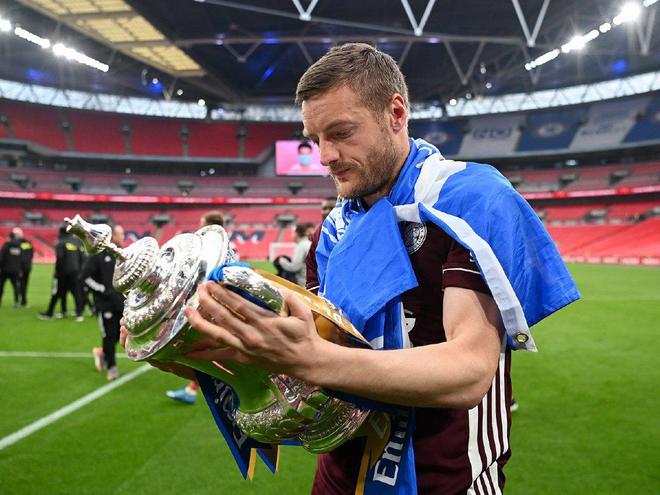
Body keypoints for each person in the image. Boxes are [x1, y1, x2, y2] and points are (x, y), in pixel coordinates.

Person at [124, 43, 578, 494]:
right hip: (338, 479)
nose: (325, 156)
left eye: (340, 133)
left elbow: (469, 370)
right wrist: (206, 357)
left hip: (448, 481)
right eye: (314, 140)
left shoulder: (469, 199)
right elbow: (306, 375)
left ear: (395, 113)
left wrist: (312, 359)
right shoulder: (332, 232)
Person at [166, 210, 227, 404]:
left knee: (203, 350)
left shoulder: (210, 248)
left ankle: (202, 392)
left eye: (202, 223)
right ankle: (192, 390)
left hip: (207, 304)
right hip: (218, 304)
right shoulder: (225, 245)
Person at [82, 225, 126, 381]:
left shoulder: (121, 254)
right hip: (105, 304)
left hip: (121, 303)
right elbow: (85, 277)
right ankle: (112, 367)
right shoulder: (97, 255)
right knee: (109, 335)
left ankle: (101, 352)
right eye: (121, 234)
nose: (123, 237)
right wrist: (103, 290)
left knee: (119, 334)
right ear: (113, 236)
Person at [39, 226, 85, 321]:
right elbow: (82, 258)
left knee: (57, 293)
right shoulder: (77, 242)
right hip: (75, 272)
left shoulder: (60, 242)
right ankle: (79, 314)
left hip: (63, 273)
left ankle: (50, 313)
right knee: (76, 293)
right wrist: (80, 270)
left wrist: (57, 271)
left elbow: (60, 258)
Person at [306, 196, 337, 292]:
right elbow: (312, 264)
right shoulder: (317, 234)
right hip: (322, 291)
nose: (327, 211)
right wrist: (313, 289)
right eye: (324, 208)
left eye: (332, 208)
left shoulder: (348, 230)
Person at [276, 223, 313, 287]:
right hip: (313, 281)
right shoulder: (309, 243)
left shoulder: (301, 246)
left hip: (304, 283)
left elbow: (295, 267)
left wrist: (282, 261)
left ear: (296, 233)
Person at [11, 228, 33, 308]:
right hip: (27, 267)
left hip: (20, 267)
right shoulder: (28, 243)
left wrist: (19, 268)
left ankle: (19, 301)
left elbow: (19, 257)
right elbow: (31, 255)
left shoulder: (17, 244)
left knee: (18, 285)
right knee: (24, 284)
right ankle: (23, 301)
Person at [0, 231, 22, 308]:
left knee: (1, 286)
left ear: (9, 237)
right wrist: (20, 269)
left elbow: (1, 258)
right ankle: (16, 302)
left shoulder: (6, 246)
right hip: (15, 270)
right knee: (16, 287)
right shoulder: (19, 246)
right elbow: (21, 259)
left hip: (5, 270)